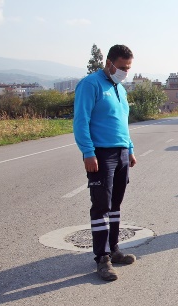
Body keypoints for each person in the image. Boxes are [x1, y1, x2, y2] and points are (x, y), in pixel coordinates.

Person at [73, 44, 137, 281]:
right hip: (100, 154)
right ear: (109, 63)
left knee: (115, 205)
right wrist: (88, 152)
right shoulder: (90, 85)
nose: (124, 72)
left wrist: (129, 149)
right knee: (101, 207)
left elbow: (122, 123)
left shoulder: (120, 88)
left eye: (128, 68)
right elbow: (81, 121)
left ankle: (114, 248)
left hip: (120, 153)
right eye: (121, 67)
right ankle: (102, 258)